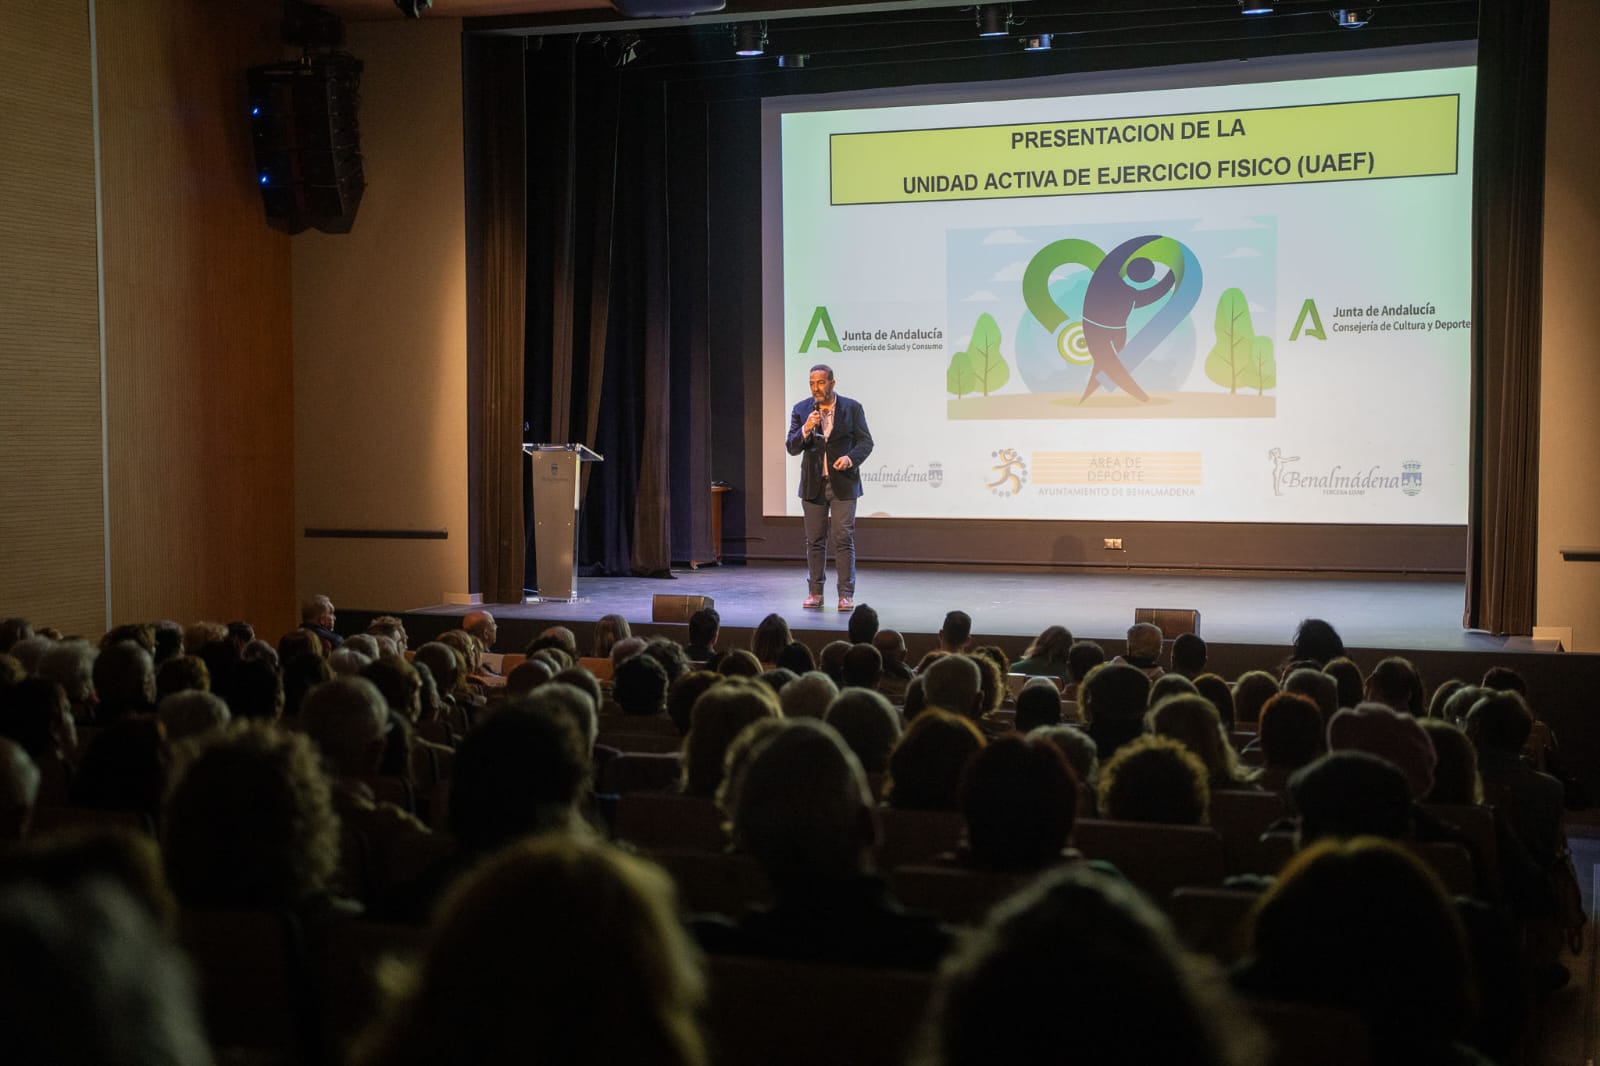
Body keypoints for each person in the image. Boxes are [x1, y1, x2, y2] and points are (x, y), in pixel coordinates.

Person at [786, 363, 873, 611]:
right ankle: (815, 592)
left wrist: (850, 458)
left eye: (821, 382)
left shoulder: (851, 408)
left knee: (843, 538)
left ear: (832, 383)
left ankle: (845, 594)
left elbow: (866, 442)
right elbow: (791, 446)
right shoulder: (802, 410)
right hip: (813, 485)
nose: (816, 388)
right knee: (814, 540)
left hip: (843, 485)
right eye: (812, 383)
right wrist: (806, 428)